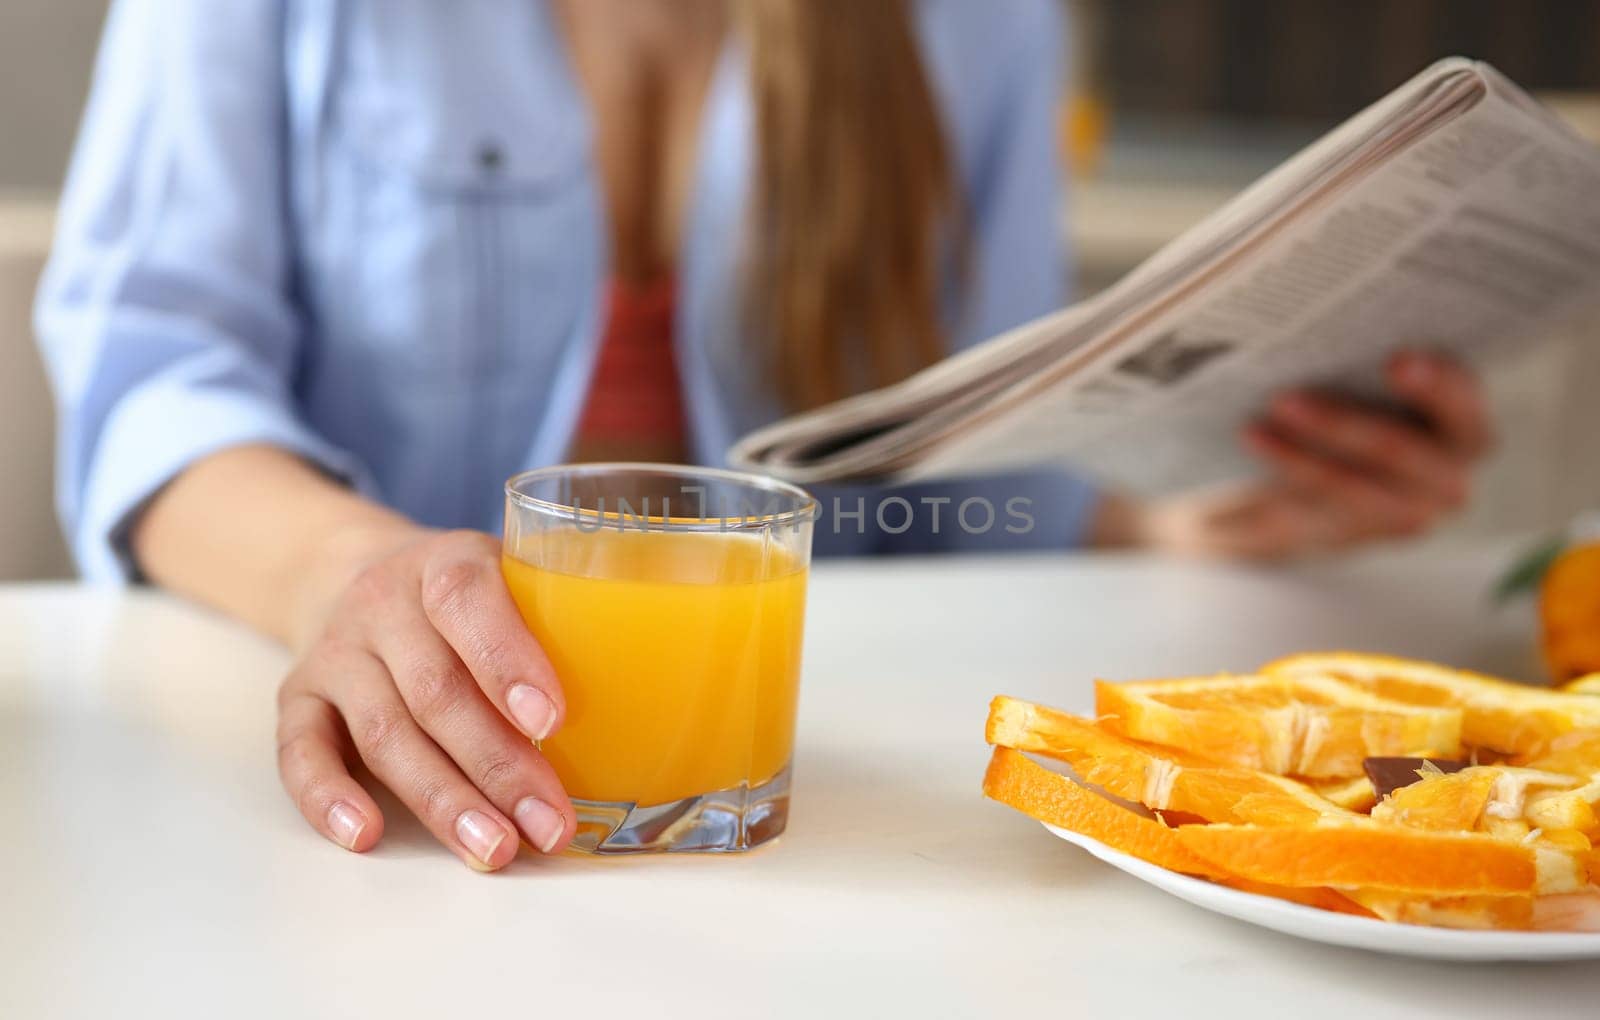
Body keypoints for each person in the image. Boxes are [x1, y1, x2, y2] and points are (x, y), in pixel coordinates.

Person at [35, 0, 1491, 871]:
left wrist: (1182, 514)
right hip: (393, 836)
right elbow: (154, 372)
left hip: (815, 813)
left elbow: (938, 461)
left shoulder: (974, 25)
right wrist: (343, 575)